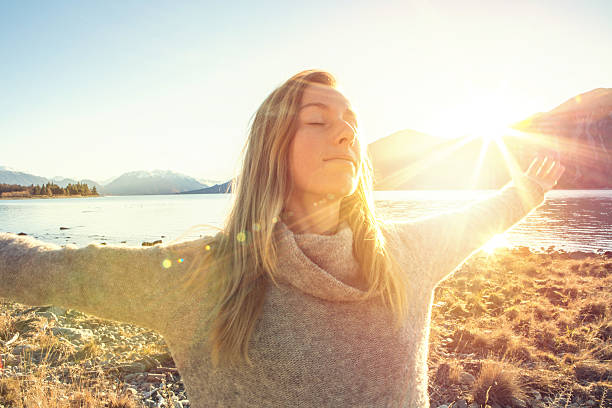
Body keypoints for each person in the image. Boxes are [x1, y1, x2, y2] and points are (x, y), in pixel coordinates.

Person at [0, 70, 565, 407]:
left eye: (351, 122)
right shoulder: (206, 278)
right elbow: (49, 266)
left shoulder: (405, 256)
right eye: (317, 120)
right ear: (272, 148)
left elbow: (478, 219)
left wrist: (528, 193)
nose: (345, 131)